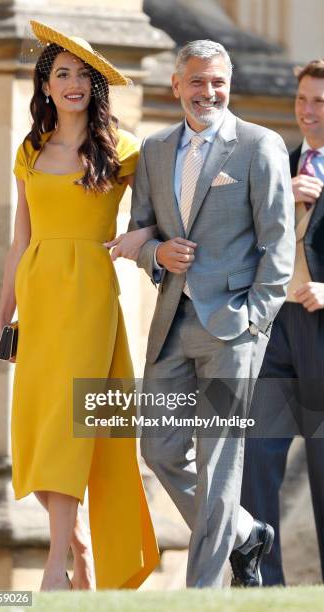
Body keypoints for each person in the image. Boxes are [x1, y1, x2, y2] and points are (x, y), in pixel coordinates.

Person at [110, 40, 295, 588]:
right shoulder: (155, 149)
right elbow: (141, 231)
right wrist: (155, 255)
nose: (208, 92)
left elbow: (279, 247)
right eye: (197, 81)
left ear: (229, 83)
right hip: (171, 325)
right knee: (160, 449)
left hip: (232, 328)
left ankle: (203, 592)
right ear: (176, 85)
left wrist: (254, 321)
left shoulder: (259, 146)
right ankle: (244, 533)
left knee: (220, 468)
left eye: (217, 82)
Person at [0, 20, 159, 592]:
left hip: (90, 299)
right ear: (45, 86)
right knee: (36, 435)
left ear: (95, 88)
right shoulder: (29, 149)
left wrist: (142, 240)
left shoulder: (128, 148)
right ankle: (80, 546)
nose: (73, 84)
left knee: (71, 427)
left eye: (84, 76)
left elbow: (160, 217)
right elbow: (20, 239)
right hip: (38, 300)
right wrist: (3, 313)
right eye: (62, 73)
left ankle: (53, 569)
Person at [241, 59, 324, 586]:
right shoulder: (280, 164)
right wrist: (279, 200)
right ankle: (261, 585)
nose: (308, 112)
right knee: (255, 454)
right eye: (302, 101)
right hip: (274, 329)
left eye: (319, 102)